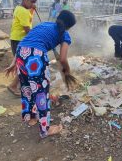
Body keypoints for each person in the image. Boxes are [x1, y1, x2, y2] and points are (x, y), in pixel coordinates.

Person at [5, 10, 76, 138]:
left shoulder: (44, 25)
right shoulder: (65, 34)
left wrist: (14, 63)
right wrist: (68, 72)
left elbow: (24, 42)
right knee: (41, 94)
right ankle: (45, 130)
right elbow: (63, 59)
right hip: (36, 57)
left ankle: (31, 118)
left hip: (21, 53)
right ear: (69, 26)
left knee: (27, 88)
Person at [8, 0, 38, 96]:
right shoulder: (23, 11)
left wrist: (32, 10)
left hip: (17, 38)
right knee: (24, 65)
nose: (33, 4)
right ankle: (13, 86)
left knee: (23, 64)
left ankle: (20, 84)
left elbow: (28, 20)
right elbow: (27, 30)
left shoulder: (19, 7)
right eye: (32, 2)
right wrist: (37, 39)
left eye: (34, 2)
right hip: (20, 40)